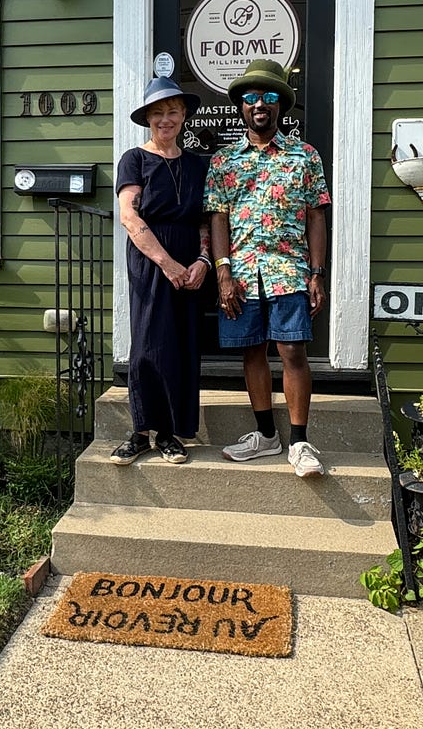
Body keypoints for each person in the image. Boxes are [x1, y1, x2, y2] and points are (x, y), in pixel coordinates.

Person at [205, 58, 331, 478]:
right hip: (241, 271)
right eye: (251, 97)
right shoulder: (223, 161)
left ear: (282, 106)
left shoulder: (304, 156)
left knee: (293, 349)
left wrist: (317, 273)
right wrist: (223, 271)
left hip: (289, 268)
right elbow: (217, 216)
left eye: (270, 96)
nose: (260, 104)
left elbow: (316, 216)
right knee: (251, 349)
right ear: (241, 106)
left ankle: (298, 441)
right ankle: (266, 435)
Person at [110, 76, 211, 465]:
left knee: (182, 345)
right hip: (151, 259)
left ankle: (169, 433)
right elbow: (129, 216)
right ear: (148, 120)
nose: (165, 120)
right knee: (148, 343)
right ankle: (139, 431)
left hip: (190, 263)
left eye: (172, 112)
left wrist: (203, 261)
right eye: (157, 113)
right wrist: (168, 263)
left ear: (183, 115)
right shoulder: (134, 159)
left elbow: (205, 220)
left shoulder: (197, 165)